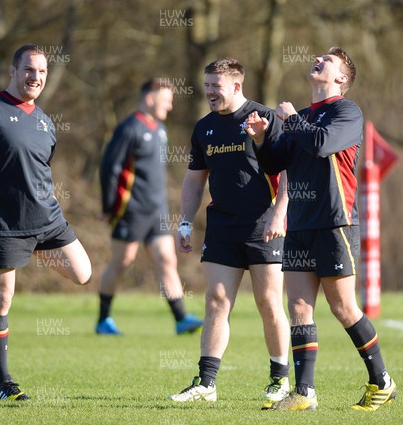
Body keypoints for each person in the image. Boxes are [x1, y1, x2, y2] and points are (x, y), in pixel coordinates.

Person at [244, 47, 396, 411]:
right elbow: (274, 165)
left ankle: (383, 381)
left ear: (341, 78)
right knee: (298, 306)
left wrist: (292, 120)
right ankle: (305, 393)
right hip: (300, 224)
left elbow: (321, 143)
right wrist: (263, 138)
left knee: (343, 307)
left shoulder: (347, 111)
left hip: (335, 221)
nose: (318, 60)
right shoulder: (301, 115)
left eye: (328, 61)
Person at [0, 44, 92, 401]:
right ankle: (4, 384)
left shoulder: (43, 120)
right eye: (28, 70)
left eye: (41, 72)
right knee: (2, 298)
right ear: (13, 72)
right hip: (3, 224)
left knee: (83, 273)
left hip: (46, 220)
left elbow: (39, 167)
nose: (35, 77)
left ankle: (31, 250)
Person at [168, 58, 291, 408]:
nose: (208, 92)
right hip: (222, 226)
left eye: (215, 86)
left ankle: (279, 381)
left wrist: (279, 214)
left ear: (236, 86)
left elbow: (289, 173)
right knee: (216, 301)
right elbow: (194, 179)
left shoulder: (265, 119)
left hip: (264, 225)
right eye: (206, 85)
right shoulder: (204, 127)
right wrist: (185, 222)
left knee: (269, 303)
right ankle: (206, 383)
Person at [98, 78, 203, 335]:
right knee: (123, 261)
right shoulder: (128, 128)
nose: (169, 106)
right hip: (130, 211)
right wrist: (109, 206)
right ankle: (103, 320)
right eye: (166, 100)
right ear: (149, 98)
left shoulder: (160, 129)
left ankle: (181, 318)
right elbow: (109, 168)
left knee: (167, 259)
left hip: (157, 212)